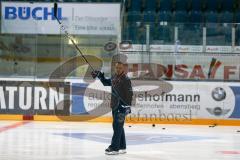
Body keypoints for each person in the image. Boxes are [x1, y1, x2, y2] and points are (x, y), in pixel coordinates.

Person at [91, 61, 133, 155]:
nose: (118, 69)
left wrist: (126, 106)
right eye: (117, 68)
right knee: (119, 126)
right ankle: (122, 146)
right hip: (114, 105)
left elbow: (130, 94)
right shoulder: (114, 77)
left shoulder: (126, 79)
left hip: (121, 107)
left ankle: (114, 148)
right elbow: (106, 83)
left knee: (117, 126)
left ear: (123, 69)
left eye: (120, 68)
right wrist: (100, 76)